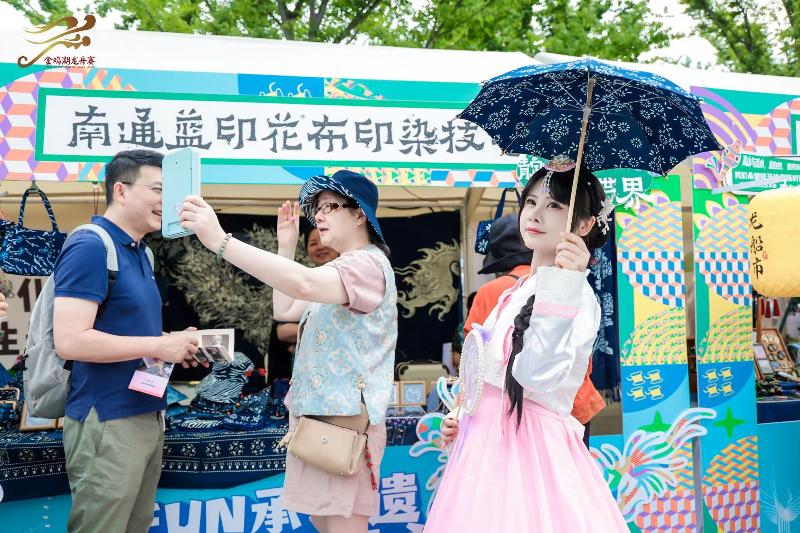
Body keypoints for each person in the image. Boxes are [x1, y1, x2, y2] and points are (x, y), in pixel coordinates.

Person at [180, 169, 397, 533]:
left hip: (344, 421)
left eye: (329, 206)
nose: (319, 216)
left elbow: (302, 283)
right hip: (323, 417)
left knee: (341, 523)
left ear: (359, 214)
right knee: (326, 522)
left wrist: (221, 241)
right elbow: (285, 309)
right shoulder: (344, 267)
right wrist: (286, 245)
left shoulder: (367, 264)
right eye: (317, 209)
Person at [424, 162, 626, 532]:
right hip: (485, 451)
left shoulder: (576, 295)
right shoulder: (515, 290)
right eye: (530, 202)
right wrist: (463, 414)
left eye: (554, 206)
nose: (535, 214)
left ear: (583, 225)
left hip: (530, 452)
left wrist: (564, 284)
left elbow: (535, 375)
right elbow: (486, 371)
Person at [52, 150, 201, 533]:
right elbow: (70, 340)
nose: (167, 201)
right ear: (120, 190)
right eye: (158, 190)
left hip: (146, 413)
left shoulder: (142, 253)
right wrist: (156, 346)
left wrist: (172, 343)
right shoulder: (90, 245)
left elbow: (133, 334)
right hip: (107, 419)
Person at [465, 213, 605, 448]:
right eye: (530, 202)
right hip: (572, 404)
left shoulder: (492, 291)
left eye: (552, 206)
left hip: (513, 414)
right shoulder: (573, 288)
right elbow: (585, 361)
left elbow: (473, 361)